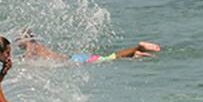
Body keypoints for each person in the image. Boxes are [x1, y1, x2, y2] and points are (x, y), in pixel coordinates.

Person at [16, 32, 161, 62]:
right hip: (74, 58)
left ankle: (139, 47)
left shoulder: (32, 46)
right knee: (109, 58)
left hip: (73, 61)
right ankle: (135, 53)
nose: (17, 42)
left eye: (19, 39)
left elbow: (27, 58)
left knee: (110, 58)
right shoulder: (37, 45)